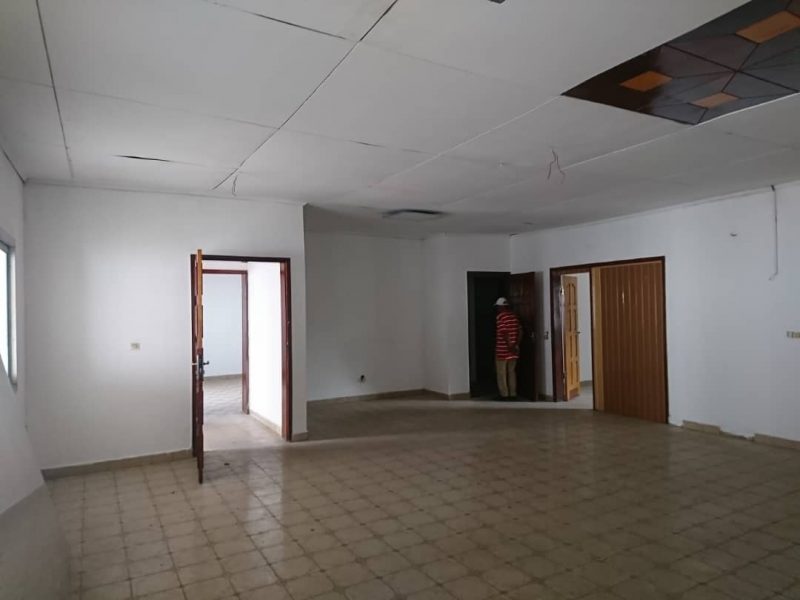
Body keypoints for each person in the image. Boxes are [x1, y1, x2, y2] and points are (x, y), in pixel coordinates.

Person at [495, 297, 521, 400]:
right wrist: (516, 345)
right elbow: (520, 331)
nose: (497, 309)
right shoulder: (514, 317)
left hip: (503, 350)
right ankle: (513, 394)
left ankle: (504, 395)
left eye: (498, 307)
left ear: (501, 307)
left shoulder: (500, 317)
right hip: (514, 350)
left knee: (501, 373)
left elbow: (504, 332)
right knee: (511, 372)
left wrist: (510, 346)